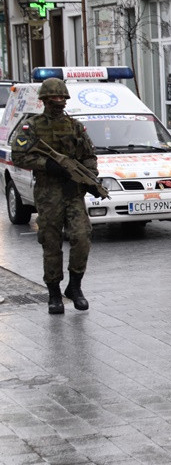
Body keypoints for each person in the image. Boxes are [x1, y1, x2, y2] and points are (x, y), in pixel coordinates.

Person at [10, 77, 98, 315]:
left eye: (61, 98)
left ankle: (75, 287)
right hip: (48, 192)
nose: (58, 102)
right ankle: (53, 293)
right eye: (53, 98)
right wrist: (48, 165)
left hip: (72, 192)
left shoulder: (75, 126)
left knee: (82, 237)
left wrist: (89, 176)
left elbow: (89, 154)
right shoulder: (33, 126)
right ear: (45, 100)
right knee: (50, 241)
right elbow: (18, 156)